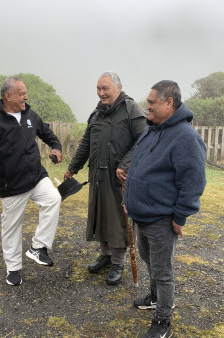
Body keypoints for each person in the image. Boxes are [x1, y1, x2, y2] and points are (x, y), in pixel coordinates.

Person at [124, 80, 206, 337]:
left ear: (169, 102)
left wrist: (180, 216)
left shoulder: (186, 137)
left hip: (161, 217)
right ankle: (154, 297)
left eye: (151, 103)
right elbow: (138, 166)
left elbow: (193, 181)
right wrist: (130, 198)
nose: (146, 106)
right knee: (150, 260)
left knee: (163, 269)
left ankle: (163, 323)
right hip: (142, 213)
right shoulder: (152, 129)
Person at [0, 76, 63, 286]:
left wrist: (56, 148)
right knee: (11, 227)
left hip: (36, 176)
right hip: (11, 184)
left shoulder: (30, 115)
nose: (26, 97)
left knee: (53, 199)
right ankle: (13, 268)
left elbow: (47, 133)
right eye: (21, 94)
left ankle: (38, 247)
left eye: (26, 93)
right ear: (7, 96)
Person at [64, 72, 147, 285]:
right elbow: (86, 143)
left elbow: (144, 139)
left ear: (118, 88)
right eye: (98, 89)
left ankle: (118, 262)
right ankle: (106, 256)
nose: (101, 93)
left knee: (118, 218)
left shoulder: (132, 110)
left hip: (120, 178)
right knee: (100, 215)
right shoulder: (97, 113)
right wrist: (73, 168)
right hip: (98, 175)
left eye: (105, 89)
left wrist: (125, 165)